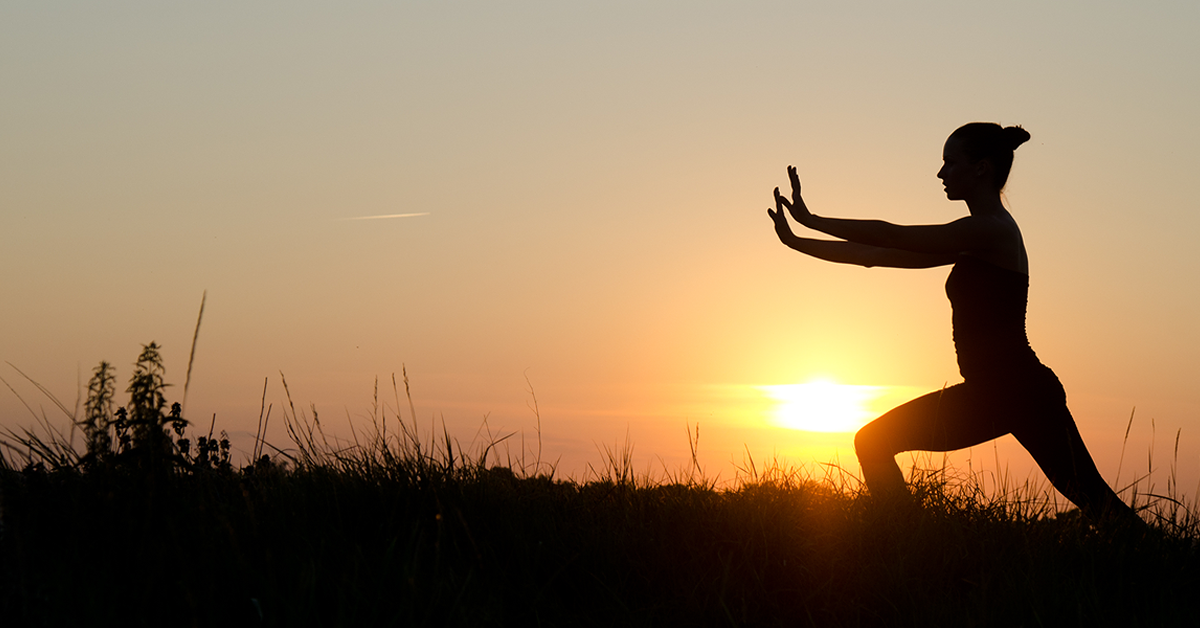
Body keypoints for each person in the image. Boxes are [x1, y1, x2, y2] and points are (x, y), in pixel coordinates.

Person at [766, 122, 1139, 523]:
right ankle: (910, 542)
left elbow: (892, 236)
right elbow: (876, 253)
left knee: (1098, 505)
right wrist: (798, 241)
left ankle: (908, 540)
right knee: (874, 442)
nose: (941, 173)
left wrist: (814, 219)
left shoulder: (991, 230)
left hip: (1020, 390)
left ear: (981, 168)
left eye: (950, 162)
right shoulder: (973, 239)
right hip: (994, 392)